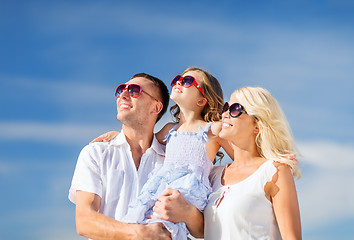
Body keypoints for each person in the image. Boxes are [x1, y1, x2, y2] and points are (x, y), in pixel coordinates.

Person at [93, 67, 234, 239]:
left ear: (202, 100)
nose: (179, 83)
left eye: (187, 81)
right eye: (177, 80)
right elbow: (144, 139)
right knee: (144, 222)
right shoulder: (170, 129)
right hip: (161, 187)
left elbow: (241, 155)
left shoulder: (213, 129)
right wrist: (118, 136)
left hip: (188, 190)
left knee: (165, 227)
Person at [151, 87, 302, 239]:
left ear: (257, 125)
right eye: (226, 107)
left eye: (235, 109)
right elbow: (201, 232)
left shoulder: (274, 171)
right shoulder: (213, 175)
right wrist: (186, 212)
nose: (225, 114)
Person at [68, 73, 173, 240]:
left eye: (134, 90)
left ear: (156, 108)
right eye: (121, 89)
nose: (123, 95)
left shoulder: (172, 161)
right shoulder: (95, 153)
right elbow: (84, 220)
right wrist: (139, 233)